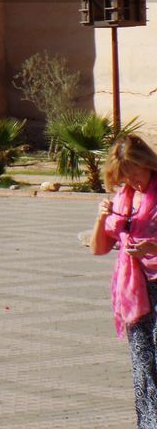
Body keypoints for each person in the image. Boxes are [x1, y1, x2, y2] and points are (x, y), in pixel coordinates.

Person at [92, 133, 157, 427]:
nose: (133, 181)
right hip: (134, 291)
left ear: (148, 164)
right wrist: (100, 218)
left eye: (137, 173)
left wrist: (152, 248)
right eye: (126, 176)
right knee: (143, 366)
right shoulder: (123, 199)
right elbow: (99, 248)